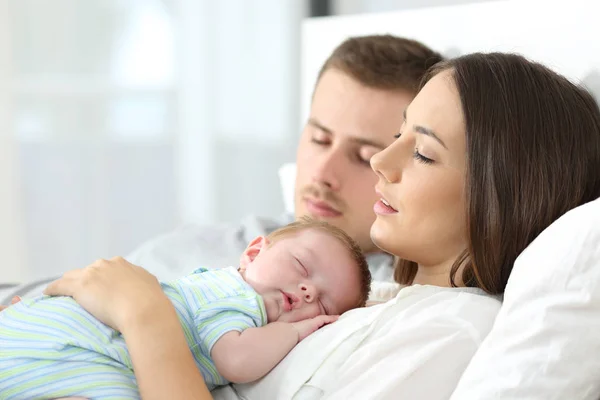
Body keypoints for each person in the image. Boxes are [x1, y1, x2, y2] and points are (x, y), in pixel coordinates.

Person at [36, 52, 600, 399]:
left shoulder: (452, 332)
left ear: (500, 195)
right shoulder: (379, 301)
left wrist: (143, 313)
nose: (383, 162)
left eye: (422, 153)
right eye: (398, 134)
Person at [0, 35, 443, 305]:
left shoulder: (386, 303)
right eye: (319, 139)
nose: (322, 174)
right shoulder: (223, 240)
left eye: (363, 155)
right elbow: (53, 291)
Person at [0, 218, 370, 399]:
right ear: (254, 252)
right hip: (87, 339)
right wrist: (296, 330)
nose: (307, 291)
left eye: (322, 303)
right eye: (302, 268)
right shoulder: (238, 298)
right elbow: (236, 361)